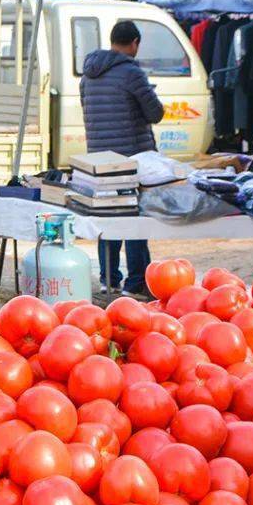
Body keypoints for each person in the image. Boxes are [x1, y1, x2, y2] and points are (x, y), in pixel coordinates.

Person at [80, 20, 164, 298]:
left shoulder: (88, 74)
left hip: (99, 160)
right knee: (133, 219)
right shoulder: (131, 72)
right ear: (135, 43)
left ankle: (108, 279)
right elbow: (155, 113)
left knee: (108, 218)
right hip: (131, 159)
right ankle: (136, 281)